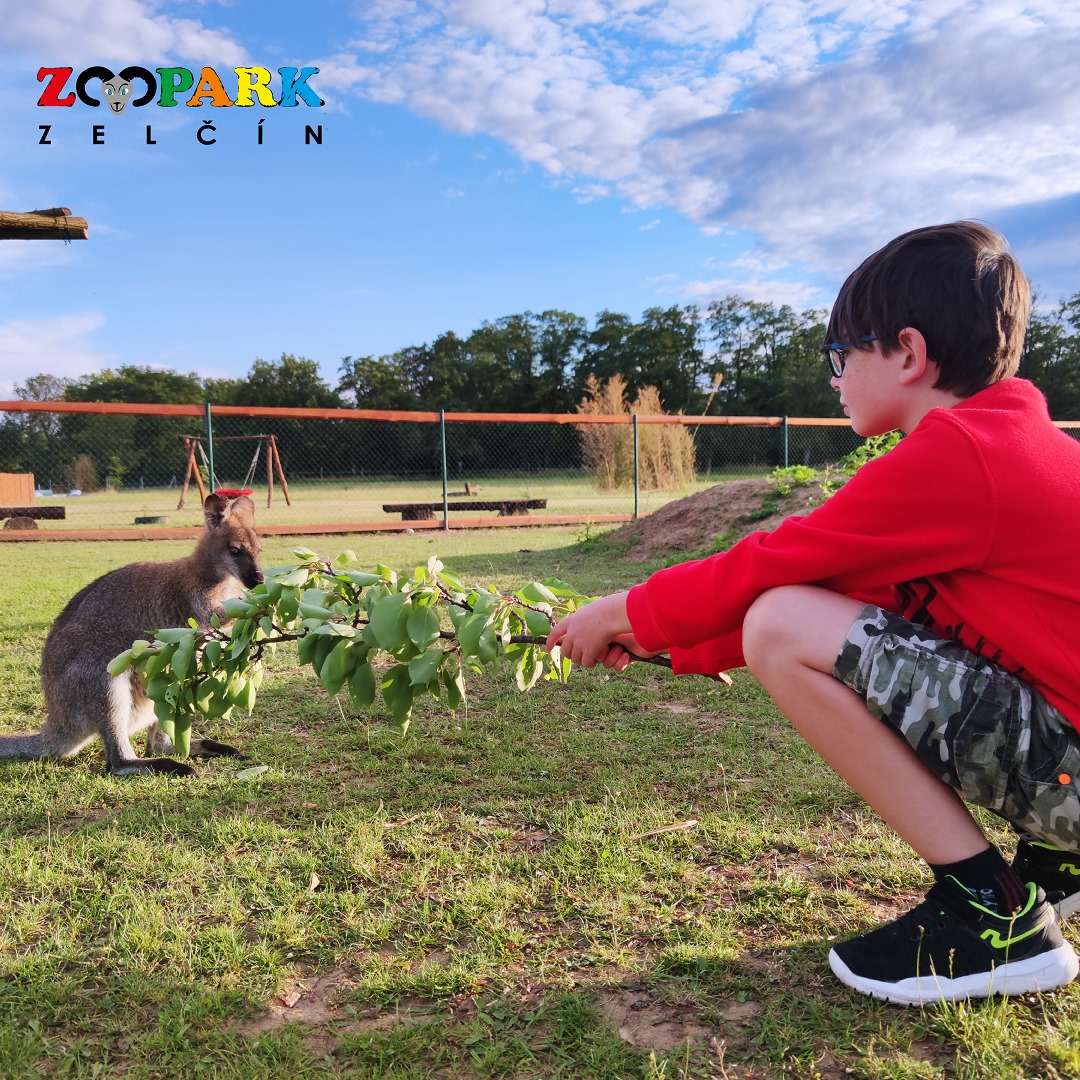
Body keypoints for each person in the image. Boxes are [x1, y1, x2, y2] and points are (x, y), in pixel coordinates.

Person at [546, 221, 1080, 1006]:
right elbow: (854, 603)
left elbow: (780, 569)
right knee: (785, 622)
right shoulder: (1013, 445)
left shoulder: (961, 454)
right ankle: (1062, 861)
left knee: (780, 623)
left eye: (840, 357)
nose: (834, 380)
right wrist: (669, 645)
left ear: (907, 352)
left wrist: (626, 608)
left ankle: (992, 916)